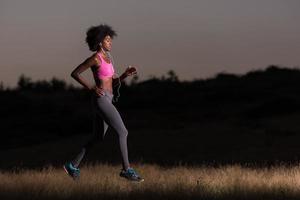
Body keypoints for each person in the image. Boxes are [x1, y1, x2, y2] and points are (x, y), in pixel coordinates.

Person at [63, 23, 144, 182]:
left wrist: (125, 75)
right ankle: (126, 170)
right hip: (101, 100)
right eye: (107, 40)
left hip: (108, 98)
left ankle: (72, 165)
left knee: (98, 137)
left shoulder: (109, 58)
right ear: (100, 42)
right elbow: (75, 73)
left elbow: (113, 82)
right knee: (123, 132)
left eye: (110, 40)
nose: (110, 42)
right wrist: (91, 88)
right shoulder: (95, 58)